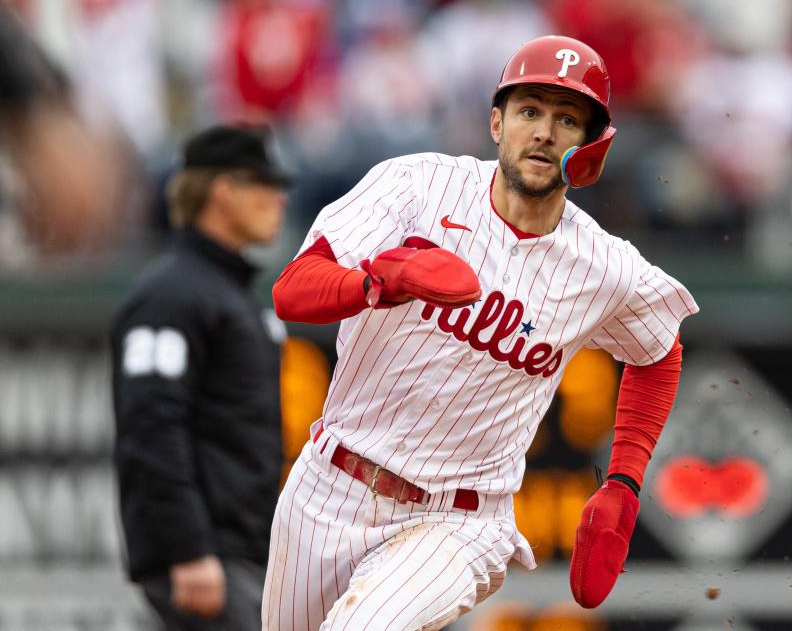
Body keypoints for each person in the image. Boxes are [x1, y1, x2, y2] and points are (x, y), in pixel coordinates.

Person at [265, 35, 699, 630]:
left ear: (592, 148)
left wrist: (623, 481)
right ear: (496, 123)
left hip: (459, 522)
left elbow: (659, 350)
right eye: (529, 111)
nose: (544, 132)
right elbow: (292, 289)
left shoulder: (607, 267)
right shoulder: (416, 187)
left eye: (567, 118)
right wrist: (382, 279)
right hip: (329, 486)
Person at [111, 125, 290, 630]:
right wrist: (187, 548)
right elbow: (151, 429)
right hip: (207, 556)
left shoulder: (230, 294)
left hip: (240, 552)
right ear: (223, 191)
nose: (278, 199)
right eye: (263, 184)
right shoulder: (171, 296)